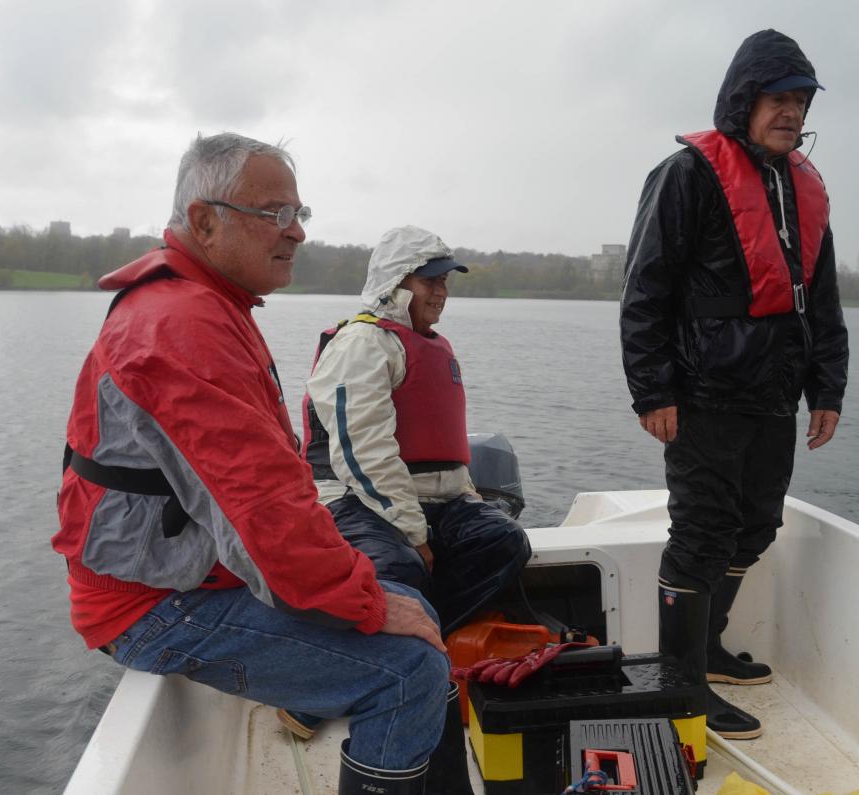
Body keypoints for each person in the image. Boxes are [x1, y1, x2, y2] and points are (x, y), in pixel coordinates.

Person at [53, 134, 451, 795]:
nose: (296, 231)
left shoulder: (204, 304)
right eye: (274, 213)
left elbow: (264, 497)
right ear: (205, 221)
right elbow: (264, 514)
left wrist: (371, 594)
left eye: (299, 213)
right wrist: (366, 600)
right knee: (410, 669)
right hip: (152, 604)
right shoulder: (180, 325)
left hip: (188, 575)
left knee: (411, 606)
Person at [619, 30, 849, 739]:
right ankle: (681, 684)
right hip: (703, 395)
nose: (791, 111)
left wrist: (828, 388)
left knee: (755, 527)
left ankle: (708, 650)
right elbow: (645, 290)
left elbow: (822, 298)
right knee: (702, 533)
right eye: (777, 98)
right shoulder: (686, 175)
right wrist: (652, 390)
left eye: (800, 100)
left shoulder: (804, 188)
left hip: (774, 395)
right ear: (744, 101)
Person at [291, 226, 532, 783]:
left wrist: (468, 499)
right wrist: (414, 532)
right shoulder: (362, 344)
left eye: (444, 282)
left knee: (503, 542)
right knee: (397, 569)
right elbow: (363, 453)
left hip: (436, 498)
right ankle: (329, 684)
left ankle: (414, 658)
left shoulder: (431, 345)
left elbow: (445, 448)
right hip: (356, 497)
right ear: (395, 284)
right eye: (430, 281)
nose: (441, 293)